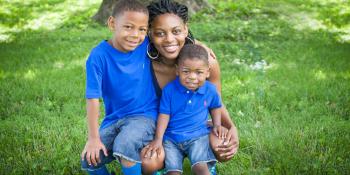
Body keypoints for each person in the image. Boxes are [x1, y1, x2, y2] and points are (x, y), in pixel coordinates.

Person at [143, 0, 239, 164]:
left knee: (222, 146)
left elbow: (215, 102)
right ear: (150, 33)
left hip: (196, 128)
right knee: (149, 163)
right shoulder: (142, 61)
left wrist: (231, 127)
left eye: (176, 31)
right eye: (160, 33)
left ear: (186, 29)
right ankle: (164, 164)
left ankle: (205, 161)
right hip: (161, 130)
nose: (169, 39)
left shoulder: (205, 62)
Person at [80, 0, 159, 175]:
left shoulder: (146, 45)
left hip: (145, 115)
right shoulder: (98, 56)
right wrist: (93, 138)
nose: (135, 35)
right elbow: (92, 99)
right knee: (90, 158)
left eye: (142, 29)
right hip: (114, 119)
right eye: (128, 27)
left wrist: (201, 45)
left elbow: (176, 36)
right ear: (112, 23)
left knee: (125, 143)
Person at [145, 44, 225, 175]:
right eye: (186, 71)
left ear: (208, 72)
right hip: (171, 139)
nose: (192, 77)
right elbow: (164, 115)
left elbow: (215, 106)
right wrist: (158, 139)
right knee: (173, 172)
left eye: (199, 72)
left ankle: (208, 169)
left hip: (198, 136)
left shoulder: (210, 89)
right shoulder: (169, 90)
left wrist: (217, 124)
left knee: (200, 168)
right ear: (177, 70)